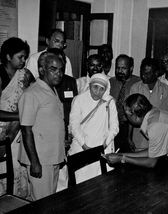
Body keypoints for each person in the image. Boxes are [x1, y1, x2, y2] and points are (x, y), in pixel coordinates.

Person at [18, 51, 66, 200]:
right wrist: (35, 162)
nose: (58, 74)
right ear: (41, 70)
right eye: (53, 69)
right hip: (40, 159)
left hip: (53, 157)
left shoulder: (52, 90)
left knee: (49, 201)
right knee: (42, 203)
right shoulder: (31, 93)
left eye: (61, 70)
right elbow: (26, 130)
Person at [68, 73, 118, 184]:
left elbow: (114, 127)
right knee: (80, 181)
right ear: (90, 86)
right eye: (95, 87)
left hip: (101, 147)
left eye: (102, 89)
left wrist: (104, 144)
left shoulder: (109, 102)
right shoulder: (78, 100)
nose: (98, 91)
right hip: (81, 147)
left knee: (100, 182)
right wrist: (85, 146)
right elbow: (74, 125)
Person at [0, 37, 34, 198]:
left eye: (25, 57)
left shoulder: (25, 75)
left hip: (19, 133)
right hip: (2, 133)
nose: (23, 61)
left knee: (18, 170)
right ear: (8, 56)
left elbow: (36, 95)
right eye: (20, 57)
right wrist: (20, 115)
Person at [48, 48, 78, 192]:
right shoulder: (45, 83)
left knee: (64, 172)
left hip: (67, 130)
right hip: (51, 134)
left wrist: (71, 131)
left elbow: (74, 108)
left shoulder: (71, 81)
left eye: (63, 62)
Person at [129, 57, 168, 150]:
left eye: (147, 73)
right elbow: (130, 114)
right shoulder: (135, 88)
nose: (144, 76)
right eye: (142, 72)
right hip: (139, 140)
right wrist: (129, 138)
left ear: (156, 73)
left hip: (158, 140)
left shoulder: (166, 90)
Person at [109, 54, 140, 152]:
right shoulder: (110, 82)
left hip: (131, 128)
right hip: (112, 127)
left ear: (131, 68)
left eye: (123, 68)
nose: (119, 71)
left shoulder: (138, 83)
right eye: (118, 68)